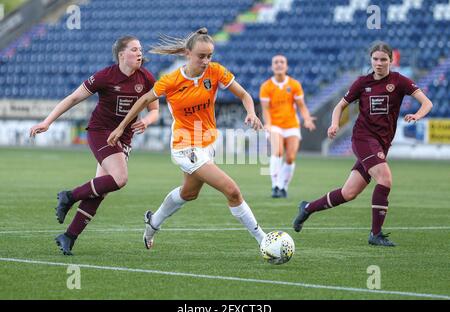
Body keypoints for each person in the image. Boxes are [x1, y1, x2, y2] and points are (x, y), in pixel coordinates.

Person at [107, 28, 266, 251]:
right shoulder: (171, 81)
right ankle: (264, 241)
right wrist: (121, 127)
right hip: (184, 146)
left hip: (207, 143)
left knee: (189, 193)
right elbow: (143, 100)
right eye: (201, 56)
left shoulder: (215, 72)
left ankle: (152, 223)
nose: (206, 61)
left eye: (209, 56)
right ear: (187, 54)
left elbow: (244, 95)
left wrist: (251, 112)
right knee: (232, 190)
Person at [292, 41, 433, 246]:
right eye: (375, 59)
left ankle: (307, 208)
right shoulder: (361, 83)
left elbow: (427, 102)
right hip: (363, 138)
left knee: (349, 193)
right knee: (385, 179)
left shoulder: (400, 81)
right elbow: (340, 106)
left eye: (383, 59)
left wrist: (417, 115)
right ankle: (375, 234)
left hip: (382, 143)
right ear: (371, 60)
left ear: (391, 60)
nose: (379, 63)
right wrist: (333, 125)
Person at [29, 36, 159, 255]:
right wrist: (47, 121)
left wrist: (145, 121)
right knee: (120, 179)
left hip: (124, 138)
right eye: (134, 49)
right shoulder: (105, 76)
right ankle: (69, 196)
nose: (140, 53)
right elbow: (72, 99)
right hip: (101, 132)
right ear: (121, 55)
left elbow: (155, 110)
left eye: (141, 49)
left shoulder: (146, 77)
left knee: (100, 190)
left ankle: (68, 236)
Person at [259, 55, 316, 198]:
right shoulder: (266, 86)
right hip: (275, 125)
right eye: (276, 62)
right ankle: (275, 186)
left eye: (282, 62)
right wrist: (268, 124)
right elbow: (265, 109)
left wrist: (307, 118)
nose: (279, 64)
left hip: (291, 125)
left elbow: (301, 105)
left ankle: (283, 187)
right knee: (277, 151)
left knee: (290, 157)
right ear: (272, 66)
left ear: (286, 66)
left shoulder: (294, 84)